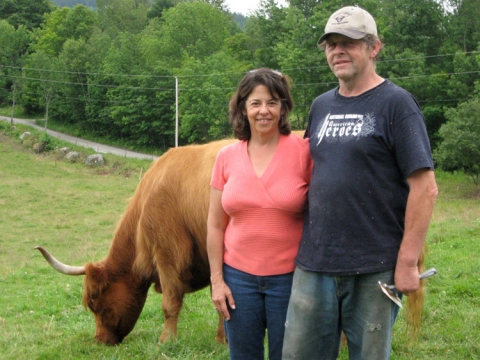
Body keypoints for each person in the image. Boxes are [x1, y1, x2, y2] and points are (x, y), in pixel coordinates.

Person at [282, 6, 438, 360]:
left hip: (374, 268)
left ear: (374, 47)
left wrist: (408, 261)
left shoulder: (397, 105)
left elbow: (425, 187)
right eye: (331, 44)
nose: (338, 51)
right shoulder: (321, 106)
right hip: (314, 263)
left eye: (349, 43)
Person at [207, 68, 312, 360]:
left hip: (290, 281)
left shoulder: (305, 152)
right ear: (243, 108)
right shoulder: (226, 157)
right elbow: (215, 226)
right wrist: (217, 281)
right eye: (255, 103)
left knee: (289, 356)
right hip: (238, 282)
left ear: (284, 108)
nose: (264, 111)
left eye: (273, 102)